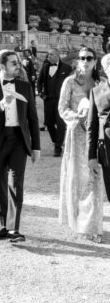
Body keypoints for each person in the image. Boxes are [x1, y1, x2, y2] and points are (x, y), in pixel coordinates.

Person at [0, 49, 40, 243]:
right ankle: (5, 224)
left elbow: (33, 118)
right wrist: (0, 105)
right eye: (13, 62)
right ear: (1, 65)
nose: (18, 65)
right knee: (0, 184)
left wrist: (36, 147)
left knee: (16, 184)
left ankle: (13, 229)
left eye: (18, 62)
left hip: (18, 140)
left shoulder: (25, 86)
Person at [59, 46, 103, 241]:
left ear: (95, 61)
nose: (85, 61)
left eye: (89, 58)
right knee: (79, 179)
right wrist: (77, 117)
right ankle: (79, 223)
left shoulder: (101, 83)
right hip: (76, 135)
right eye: (82, 58)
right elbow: (62, 108)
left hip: (96, 137)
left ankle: (92, 226)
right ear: (78, 60)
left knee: (94, 180)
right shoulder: (70, 82)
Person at [37, 47, 70, 156]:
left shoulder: (67, 68)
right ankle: (57, 141)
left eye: (51, 54)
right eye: (48, 54)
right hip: (48, 99)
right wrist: (40, 93)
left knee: (60, 124)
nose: (48, 56)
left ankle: (58, 147)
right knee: (49, 123)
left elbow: (71, 83)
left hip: (62, 100)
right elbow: (39, 81)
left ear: (57, 55)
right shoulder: (45, 67)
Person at [87, 52, 110, 205]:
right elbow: (92, 126)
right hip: (107, 150)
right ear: (105, 69)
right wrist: (91, 156)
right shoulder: (96, 91)